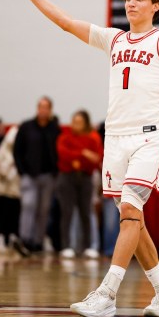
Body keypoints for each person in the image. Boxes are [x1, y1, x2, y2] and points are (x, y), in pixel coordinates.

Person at [15, 0, 159, 317]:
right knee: (134, 218)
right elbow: (67, 23)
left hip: (149, 135)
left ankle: (107, 293)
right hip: (114, 137)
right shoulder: (113, 38)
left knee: (129, 211)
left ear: (155, 5)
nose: (131, 3)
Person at [13, 97, 61, 255]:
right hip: (29, 175)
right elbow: (17, 150)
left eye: (46, 107)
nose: (43, 110)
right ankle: (24, 239)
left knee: (44, 209)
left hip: (48, 176)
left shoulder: (54, 129)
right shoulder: (26, 127)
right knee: (28, 204)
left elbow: (58, 151)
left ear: (50, 110)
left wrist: (55, 171)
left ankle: (38, 241)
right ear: (37, 108)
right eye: (41, 107)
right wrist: (21, 170)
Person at [55, 110, 103, 259]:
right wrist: (82, 153)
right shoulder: (65, 137)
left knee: (86, 213)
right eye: (74, 121)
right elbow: (63, 154)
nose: (76, 125)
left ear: (85, 123)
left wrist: (82, 158)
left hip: (86, 178)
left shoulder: (92, 138)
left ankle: (88, 246)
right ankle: (66, 246)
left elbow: (97, 157)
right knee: (67, 212)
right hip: (67, 177)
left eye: (79, 122)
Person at [0, 125, 22, 255]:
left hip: (17, 189)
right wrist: (6, 172)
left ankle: (12, 237)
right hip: (3, 187)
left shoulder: (22, 151)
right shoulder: (3, 150)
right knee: (2, 213)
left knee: (15, 213)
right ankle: (0, 238)